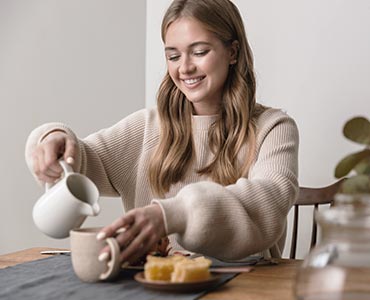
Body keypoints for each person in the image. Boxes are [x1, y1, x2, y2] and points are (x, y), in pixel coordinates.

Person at [25, 0, 299, 264]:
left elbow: (268, 201)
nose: (185, 67)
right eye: (173, 55)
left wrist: (171, 216)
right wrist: (54, 139)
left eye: (200, 52)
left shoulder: (273, 128)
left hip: (247, 287)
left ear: (233, 52)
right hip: (152, 287)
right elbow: (83, 161)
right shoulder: (147, 128)